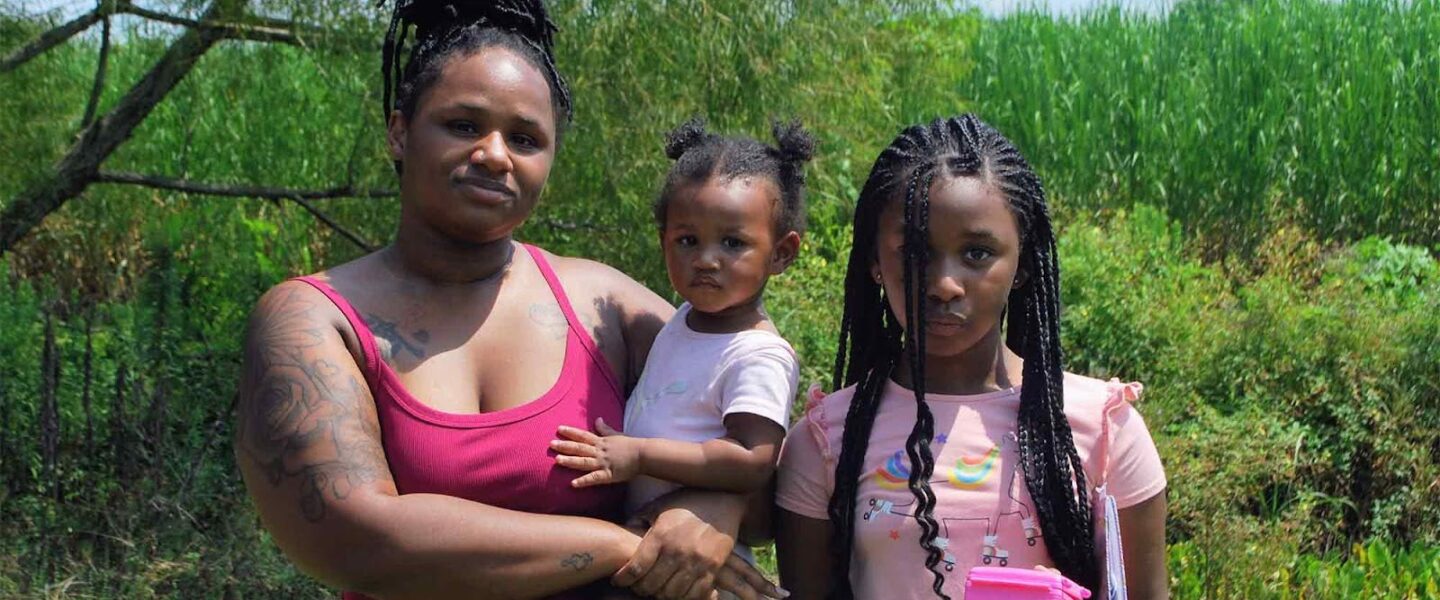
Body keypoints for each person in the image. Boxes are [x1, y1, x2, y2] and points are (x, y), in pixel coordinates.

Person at [234, 2, 780, 598]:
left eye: (525, 138)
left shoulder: (605, 305)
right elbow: (355, 539)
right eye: (463, 125)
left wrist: (713, 508)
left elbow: (769, 466)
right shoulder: (314, 319)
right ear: (399, 131)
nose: (495, 154)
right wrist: (618, 545)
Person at [773, 115, 1169, 599]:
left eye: (978, 253)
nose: (944, 284)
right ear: (875, 261)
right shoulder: (826, 441)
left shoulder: (1103, 430)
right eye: (914, 251)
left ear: (1022, 263)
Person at [549, 118, 812, 568]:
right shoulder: (683, 322)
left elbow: (752, 459)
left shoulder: (757, 354)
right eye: (687, 240)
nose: (706, 260)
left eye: (733, 242)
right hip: (652, 550)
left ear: (781, 253)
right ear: (663, 242)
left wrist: (638, 454)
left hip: (703, 564)